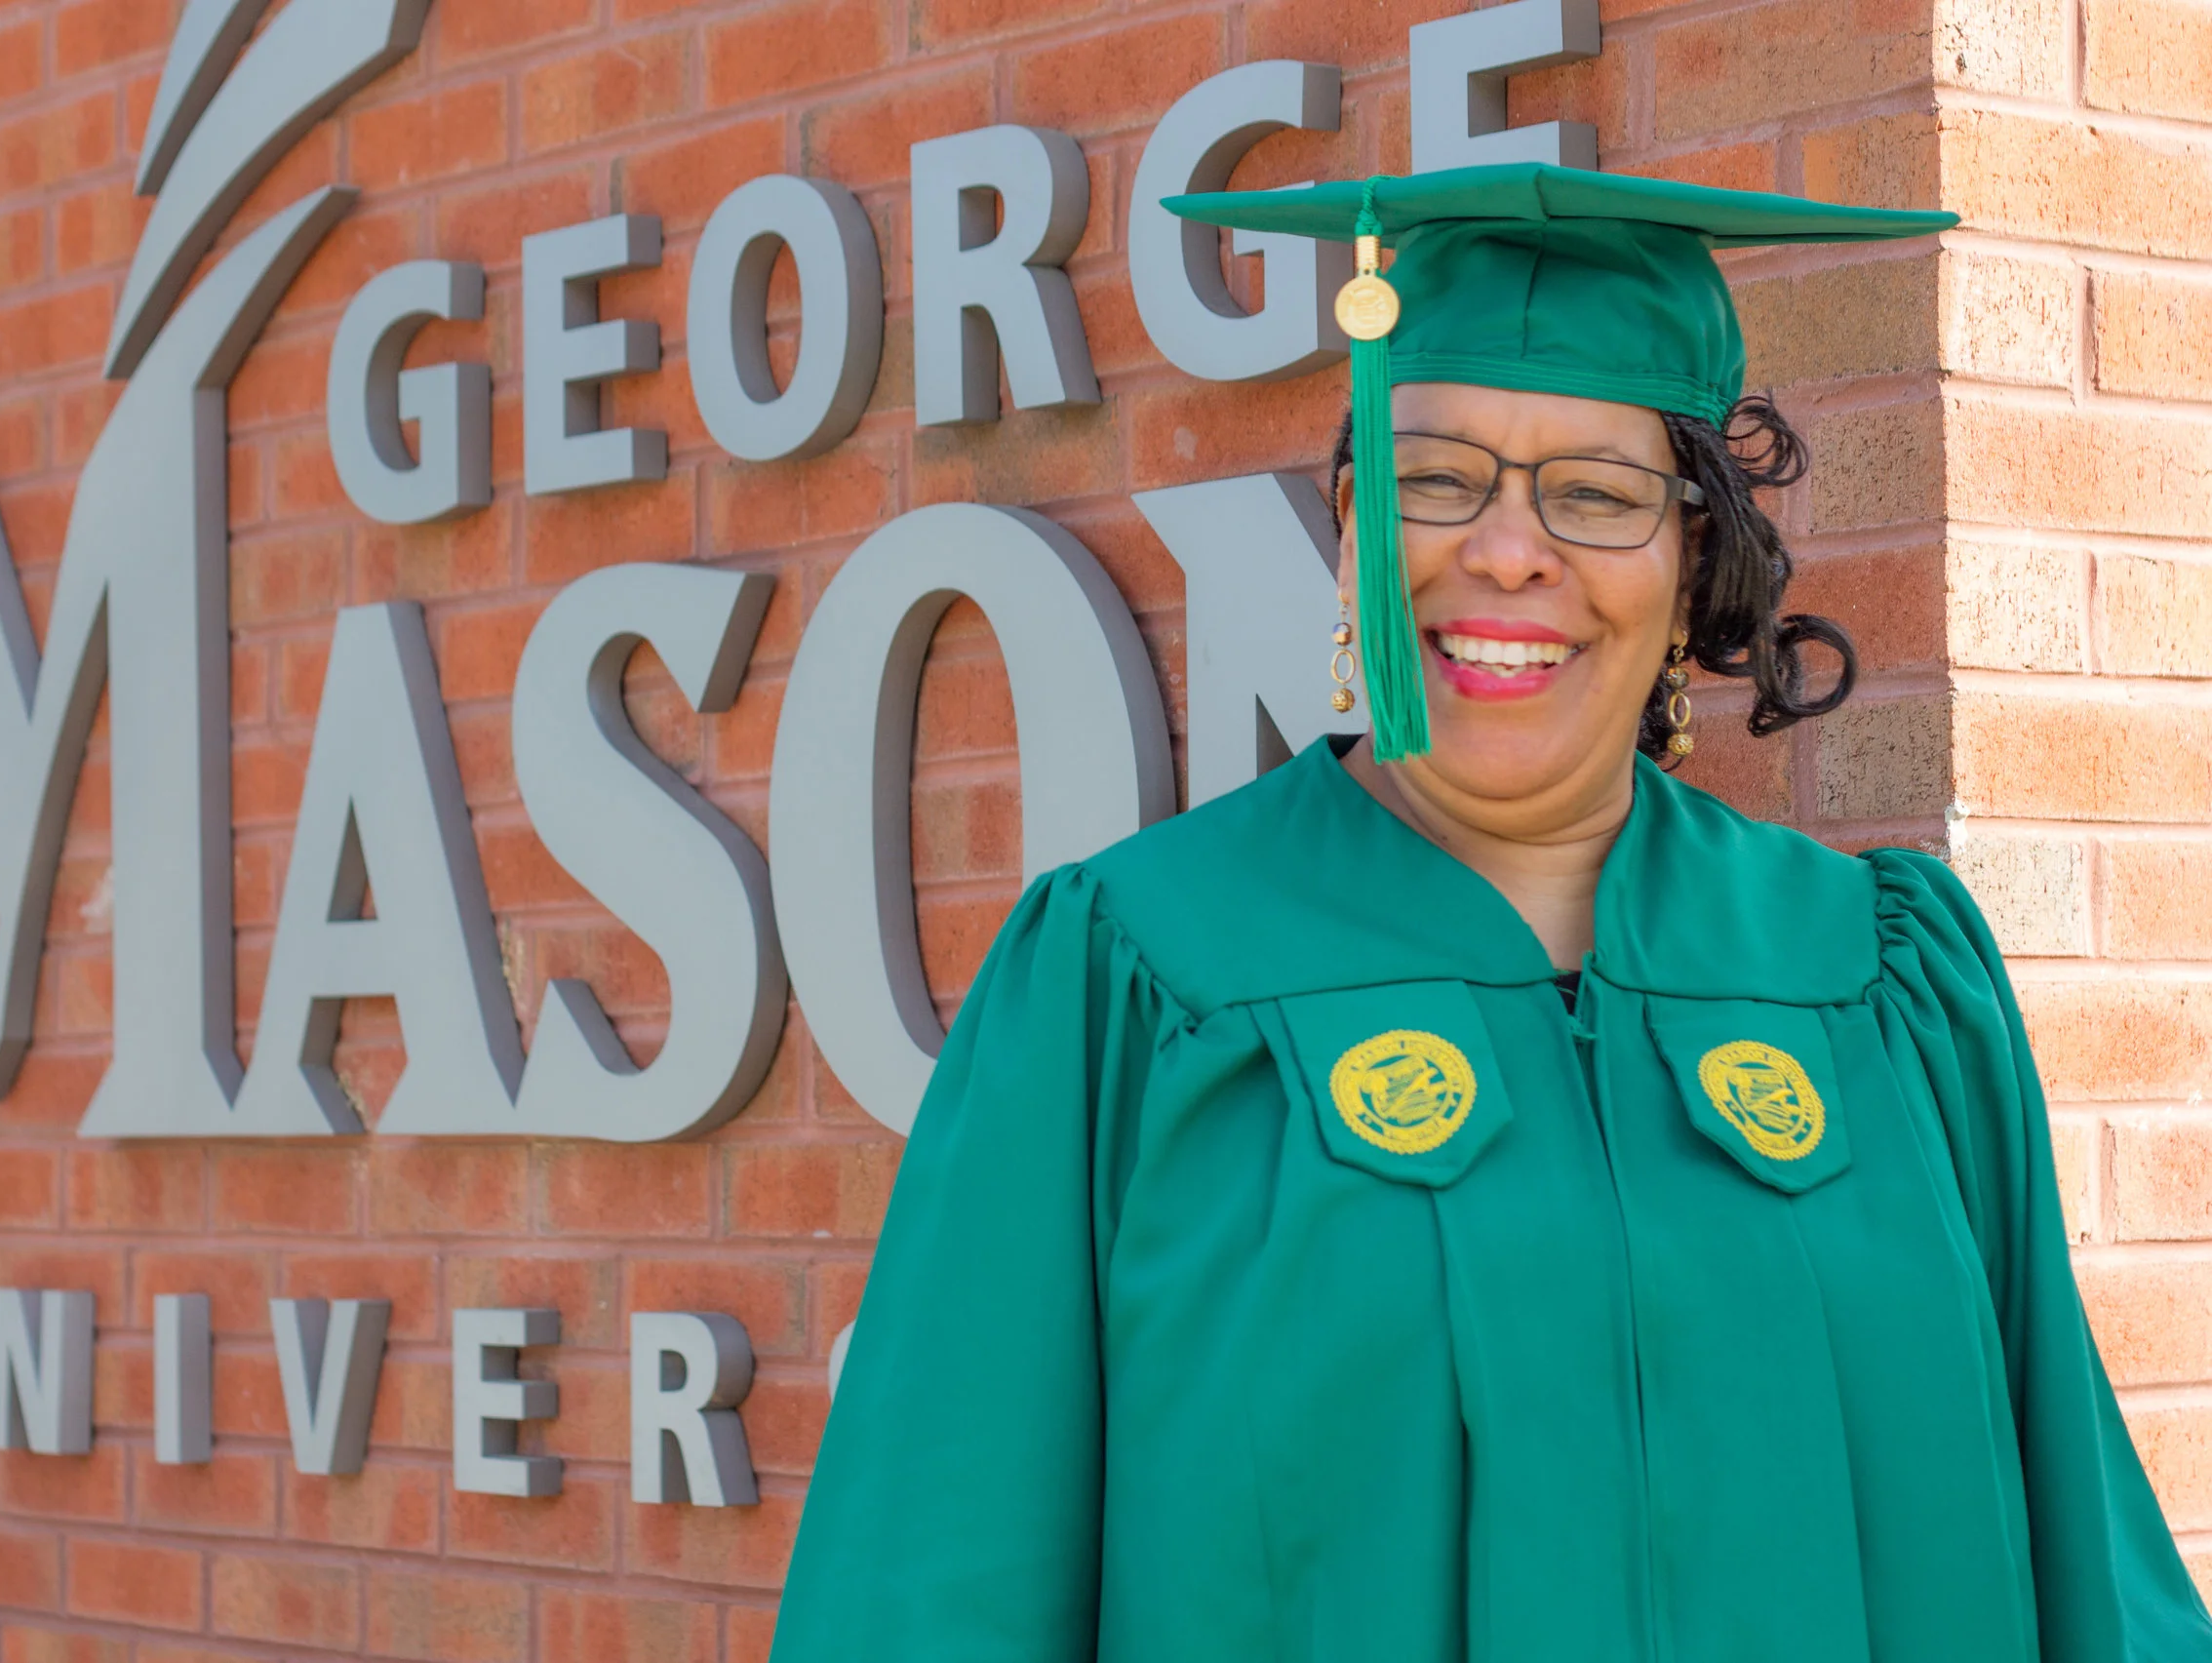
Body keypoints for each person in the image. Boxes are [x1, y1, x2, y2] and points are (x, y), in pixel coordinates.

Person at [769, 165, 2212, 1662]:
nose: (1510, 550)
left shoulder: (1880, 978)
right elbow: (930, 1592)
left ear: (1692, 565)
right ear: (1353, 532)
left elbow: (2088, 1561)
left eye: (1595, 494)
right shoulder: (1134, 977)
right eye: (1438, 479)